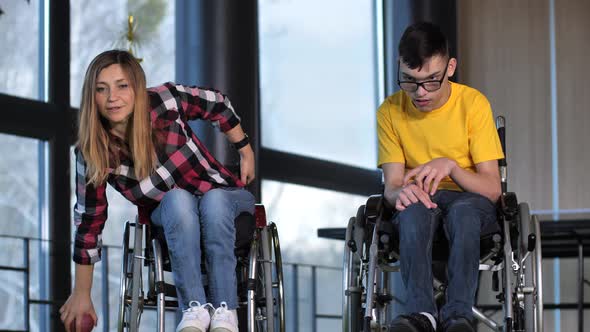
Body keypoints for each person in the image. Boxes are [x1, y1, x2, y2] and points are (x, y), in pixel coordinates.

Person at [59, 49, 255, 332]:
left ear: (137, 87)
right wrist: (81, 293)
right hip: (172, 217)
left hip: (224, 200)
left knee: (213, 200)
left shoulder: (165, 100)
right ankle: (195, 311)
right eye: (102, 90)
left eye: (122, 86)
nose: (112, 97)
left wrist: (244, 149)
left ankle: (226, 315)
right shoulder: (93, 153)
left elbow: (217, 104)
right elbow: (89, 222)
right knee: (178, 199)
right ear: (93, 98)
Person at [378, 22, 504, 332]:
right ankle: (423, 315)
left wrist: (452, 167)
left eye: (431, 81)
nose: (420, 93)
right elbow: (392, 186)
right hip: (421, 199)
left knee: (463, 213)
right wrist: (399, 195)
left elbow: (492, 188)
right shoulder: (389, 111)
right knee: (412, 212)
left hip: (471, 201)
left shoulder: (473, 104)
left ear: (450, 67)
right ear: (400, 67)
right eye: (410, 81)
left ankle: (457, 316)